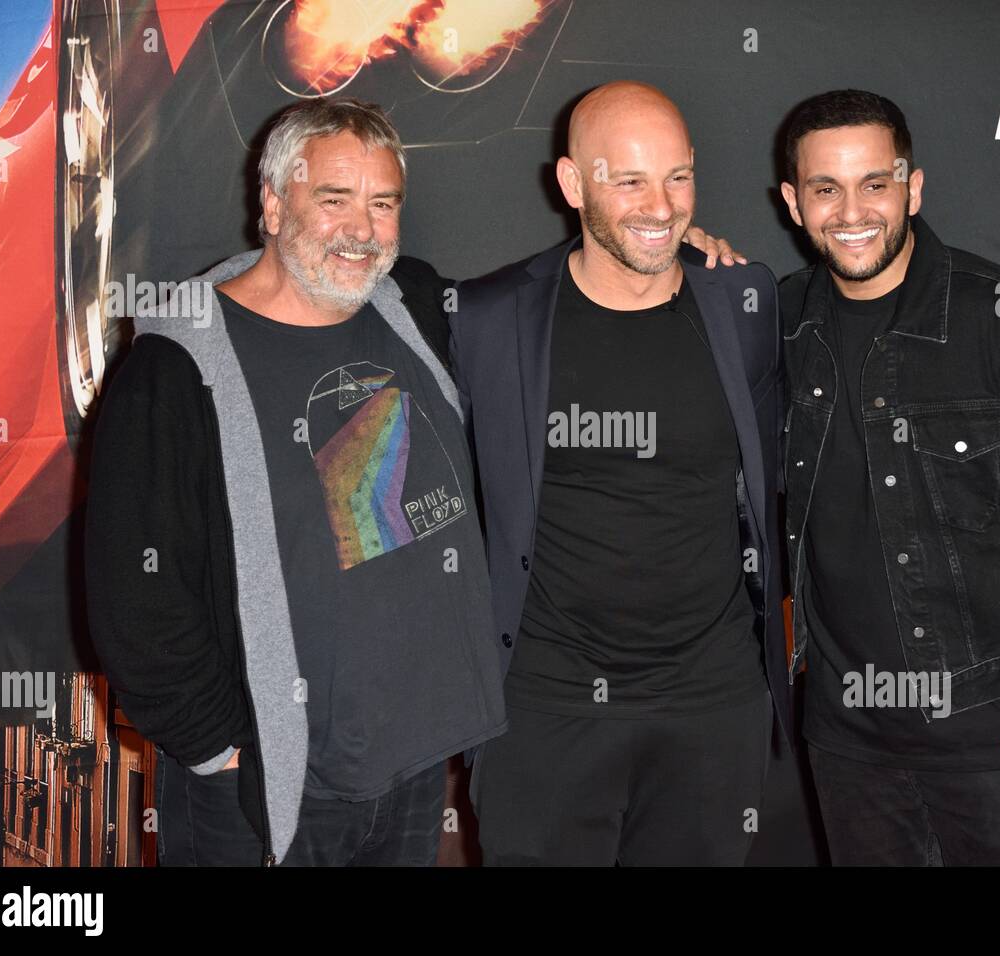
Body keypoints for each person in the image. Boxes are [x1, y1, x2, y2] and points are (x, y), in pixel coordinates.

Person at [85, 97, 508, 866]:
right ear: (274, 205)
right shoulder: (174, 369)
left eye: (383, 203)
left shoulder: (413, 301)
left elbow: (551, 299)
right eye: (334, 199)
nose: (363, 228)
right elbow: (133, 595)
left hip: (410, 764)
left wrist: (684, 252)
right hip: (263, 787)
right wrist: (221, 751)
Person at [776, 89, 1000, 865]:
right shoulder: (781, 323)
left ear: (914, 186)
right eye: (825, 188)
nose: (852, 211)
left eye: (876, 182)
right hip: (846, 739)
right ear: (792, 202)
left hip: (998, 730)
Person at [449, 81, 789, 865]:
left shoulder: (744, 302)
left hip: (711, 708)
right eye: (628, 179)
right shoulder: (488, 319)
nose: (660, 205)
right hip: (543, 710)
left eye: (678, 177)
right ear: (572, 184)